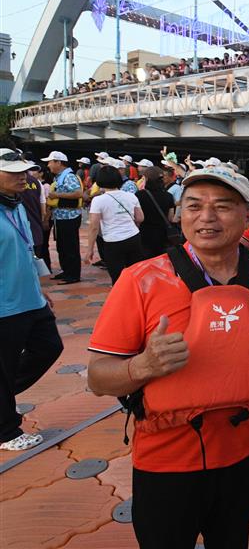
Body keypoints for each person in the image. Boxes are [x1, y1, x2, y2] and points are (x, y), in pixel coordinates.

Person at [86, 166, 249, 549]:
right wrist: (143, 365)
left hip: (245, 451)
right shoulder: (141, 279)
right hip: (167, 458)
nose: (206, 217)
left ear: (248, 216)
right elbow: (98, 376)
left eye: (222, 206)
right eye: (194, 206)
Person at [0, 149, 63, 451]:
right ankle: (6, 432)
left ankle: (3, 396)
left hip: (31, 299)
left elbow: (24, 250)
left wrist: (37, 287)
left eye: (23, 170)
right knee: (3, 366)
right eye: (13, 171)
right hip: (5, 306)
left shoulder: (17, 204)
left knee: (49, 347)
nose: (22, 176)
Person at [85, 165, 144, 283]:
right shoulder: (131, 196)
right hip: (133, 238)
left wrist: (90, 249)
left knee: (118, 276)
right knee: (135, 274)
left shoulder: (98, 200)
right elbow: (140, 218)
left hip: (113, 241)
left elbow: (93, 227)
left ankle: (121, 294)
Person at [42, 150, 84, 284]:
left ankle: (73, 275)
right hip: (61, 217)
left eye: (50, 162)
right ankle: (66, 271)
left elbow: (78, 193)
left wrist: (57, 195)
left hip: (69, 217)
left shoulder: (69, 176)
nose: (48, 165)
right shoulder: (60, 176)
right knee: (62, 246)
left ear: (58, 162)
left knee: (70, 247)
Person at [136, 167, 176, 258]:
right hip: (163, 235)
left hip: (144, 234)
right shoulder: (168, 196)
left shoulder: (139, 195)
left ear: (146, 179)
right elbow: (171, 218)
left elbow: (137, 217)